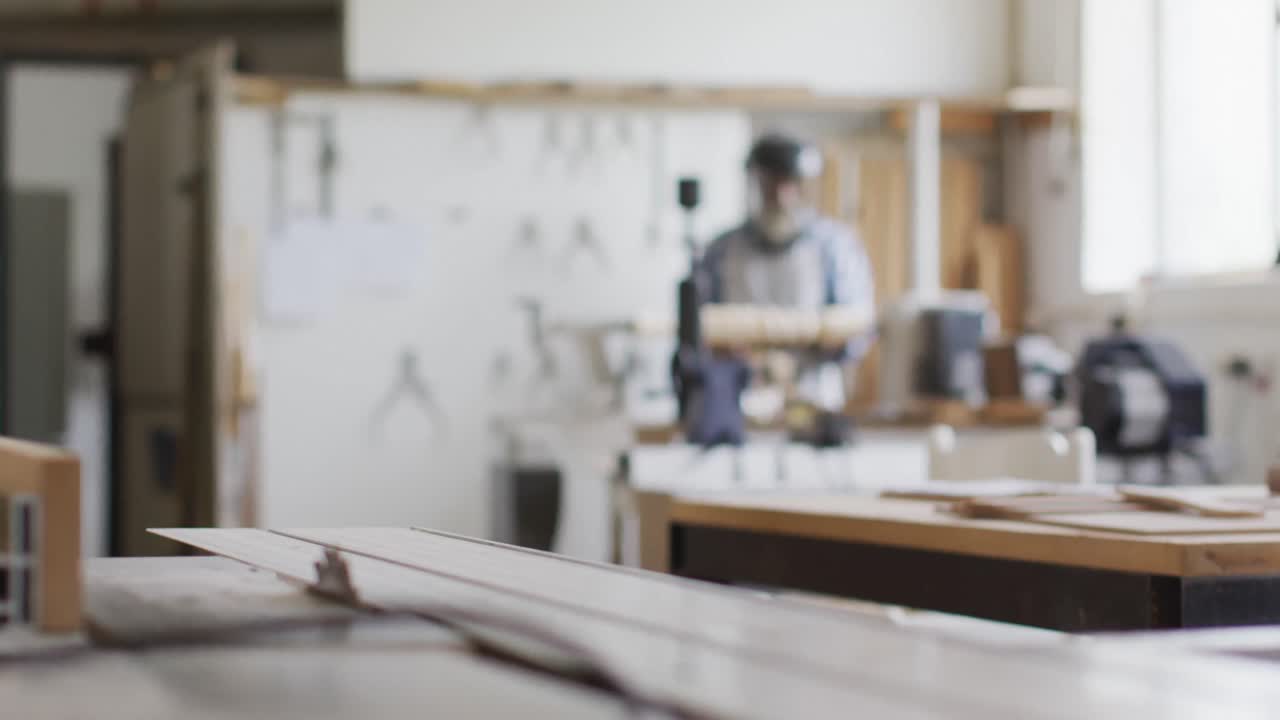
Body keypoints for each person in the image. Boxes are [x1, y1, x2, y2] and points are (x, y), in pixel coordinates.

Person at [701, 132, 876, 412]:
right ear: (756, 185)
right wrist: (746, 358)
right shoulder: (721, 251)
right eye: (771, 185)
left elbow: (857, 329)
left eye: (790, 184)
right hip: (739, 399)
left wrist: (797, 362)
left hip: (814, 397)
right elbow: (700, 328)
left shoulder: (835, 247)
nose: (781, 196)